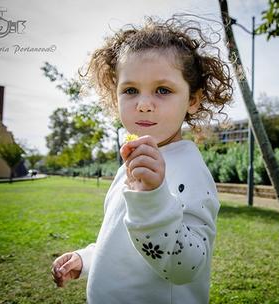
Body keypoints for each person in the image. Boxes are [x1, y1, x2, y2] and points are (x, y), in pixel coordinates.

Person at [51, 16, 233, 303]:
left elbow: (187, 267)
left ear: (193, 100)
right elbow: (120, 239)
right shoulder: (132, 162)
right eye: (130, 90)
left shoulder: (189, 170)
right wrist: (86, 258)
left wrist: (153, 197)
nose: (144, 104)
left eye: (163, 90)